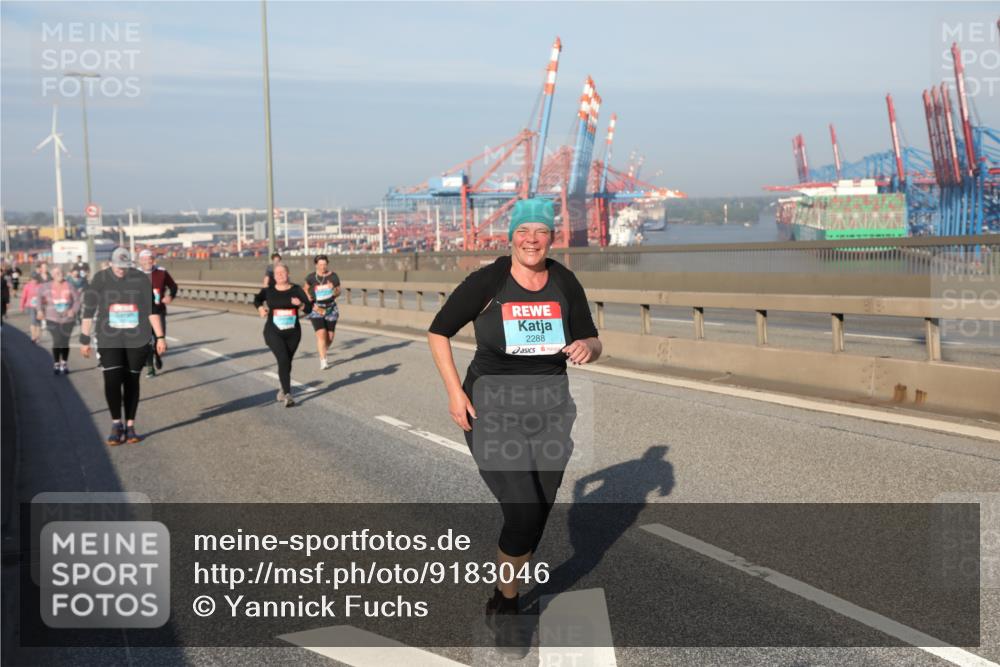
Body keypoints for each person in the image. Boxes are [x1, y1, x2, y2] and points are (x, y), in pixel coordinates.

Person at [427, 198, 602, 638]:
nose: (531, 239)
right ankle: (506, 602)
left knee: (539, 512)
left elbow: (592, 338)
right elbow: (438, 331)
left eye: (540, 231)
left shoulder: (563, 280)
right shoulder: (488, 280)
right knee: (523, 512)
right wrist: (453, 392)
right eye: (523, 231)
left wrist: (587, 349)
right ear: (511, 237)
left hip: (550, 410)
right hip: (492, 408)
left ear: (551, 237)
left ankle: (506, 581)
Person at [80, 247, 166, 446]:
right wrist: (84, 339)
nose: (121, 270)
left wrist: (160, 337)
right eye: (118, 266)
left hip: (136, 338)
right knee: (112, 379)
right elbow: (88, 311)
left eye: (125, 267)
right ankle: (116, 423)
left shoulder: (140, 279)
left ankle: (130, 425)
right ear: (111, 263)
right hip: (108, 338)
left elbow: (152, 310)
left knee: (131, 380)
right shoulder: (100, 279)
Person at [254, 263, 312, 407]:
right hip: (273, 332)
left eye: (283, 273)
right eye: (277, 273)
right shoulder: (269, 290)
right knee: (283, 358)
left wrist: (300, 305)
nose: (280, 275)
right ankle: (288, 394)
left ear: (288, 274)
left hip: (293, 333)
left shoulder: (297, 289)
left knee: (286, 362)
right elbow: (257, 299)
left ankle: (283, 388)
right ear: (274, 276)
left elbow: (309, 308)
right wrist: (260, 308)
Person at [137, 249, 178, 377]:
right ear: (140, 261)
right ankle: (150, 367)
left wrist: (170, 296)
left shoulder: (161, 272)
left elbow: (173, 286)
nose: (148, 261)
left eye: (150, 258)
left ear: (153, 260)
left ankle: (157, 356)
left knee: (160, 338)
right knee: (146, 340)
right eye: (144, 259)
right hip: (142, 313)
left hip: (158, 310)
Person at [36, 266, 80, 374]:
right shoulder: (45, 286)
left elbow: (77, 300)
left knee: (65, 341)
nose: (59, 274)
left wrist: (73, 311)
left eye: (60, 272)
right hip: (52, 318)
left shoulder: (70, 285)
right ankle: (56, 363)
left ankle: (64, 363)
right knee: (57, 340)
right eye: (56, 273)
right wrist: (39, 310)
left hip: (68, 319)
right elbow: (38, 298)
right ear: (52, 275)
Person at [304, 254, 341, 369]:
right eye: (320, 265)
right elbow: (305, 288)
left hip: (331, 308)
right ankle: (323, 360)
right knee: (321, 334)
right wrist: (308, 296)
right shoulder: (311, 277)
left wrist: (333, 289)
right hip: (316, 308)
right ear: (316, 265)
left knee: (329, 337)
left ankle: (323, 350)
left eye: (325, 264)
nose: (323, 267)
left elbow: (338, 292)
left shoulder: (333, 276)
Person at [19, 272, 43, 342]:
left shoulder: (40, 286)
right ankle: (33, 336)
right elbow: (23, 297)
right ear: (30, 279)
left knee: (38, 322)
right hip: (30, 306)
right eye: (33, 279)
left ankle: (38, 336)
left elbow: (44, 296)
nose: (34, 280)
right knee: (33, 321)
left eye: (35, 279)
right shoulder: (27, 286)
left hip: (39, 306)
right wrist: (21, 306)